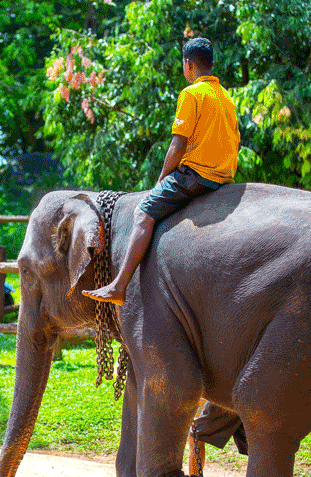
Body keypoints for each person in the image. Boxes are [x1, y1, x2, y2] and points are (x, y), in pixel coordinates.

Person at [83, 37, 240, 305]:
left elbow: (177, 144)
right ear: (211, 64)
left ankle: (118, 286)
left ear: (188, 65)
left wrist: (162, 179)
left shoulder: (191, 94)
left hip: (195, 176)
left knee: (143, 213)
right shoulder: (226, 96)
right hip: (224, 176)